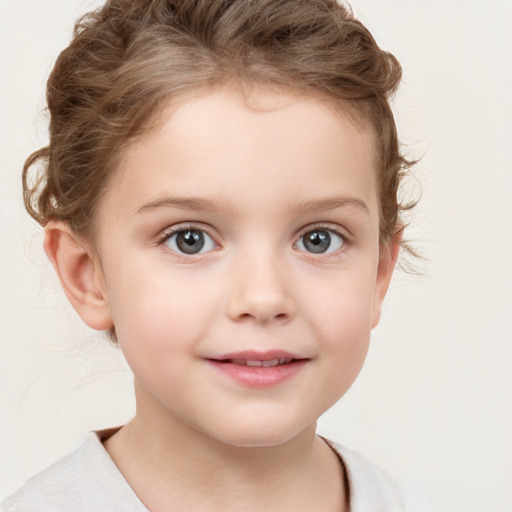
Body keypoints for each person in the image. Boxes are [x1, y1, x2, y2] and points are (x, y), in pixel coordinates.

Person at [1, 0, 416, 510]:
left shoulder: (389, 498)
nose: (264, 298)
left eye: (318, 239)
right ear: (88, 275)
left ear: (378, 273)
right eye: (189, 238)